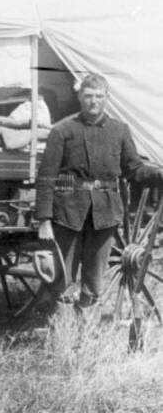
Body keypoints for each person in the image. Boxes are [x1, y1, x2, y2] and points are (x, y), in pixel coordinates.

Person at [36, 73, 163, 310]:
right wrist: (44, 220)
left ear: (107, 98)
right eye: (88, 96)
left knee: (94, 279)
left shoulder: (119, 130)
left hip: (105, 213)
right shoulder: (63, 130)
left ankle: (85, 327)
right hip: (68, 213)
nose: (93, 102)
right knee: (62, 277)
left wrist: (158, 174)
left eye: (98, 96)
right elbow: (46, 178)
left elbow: (134, 170)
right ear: (79, 97)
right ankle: (62, 333)